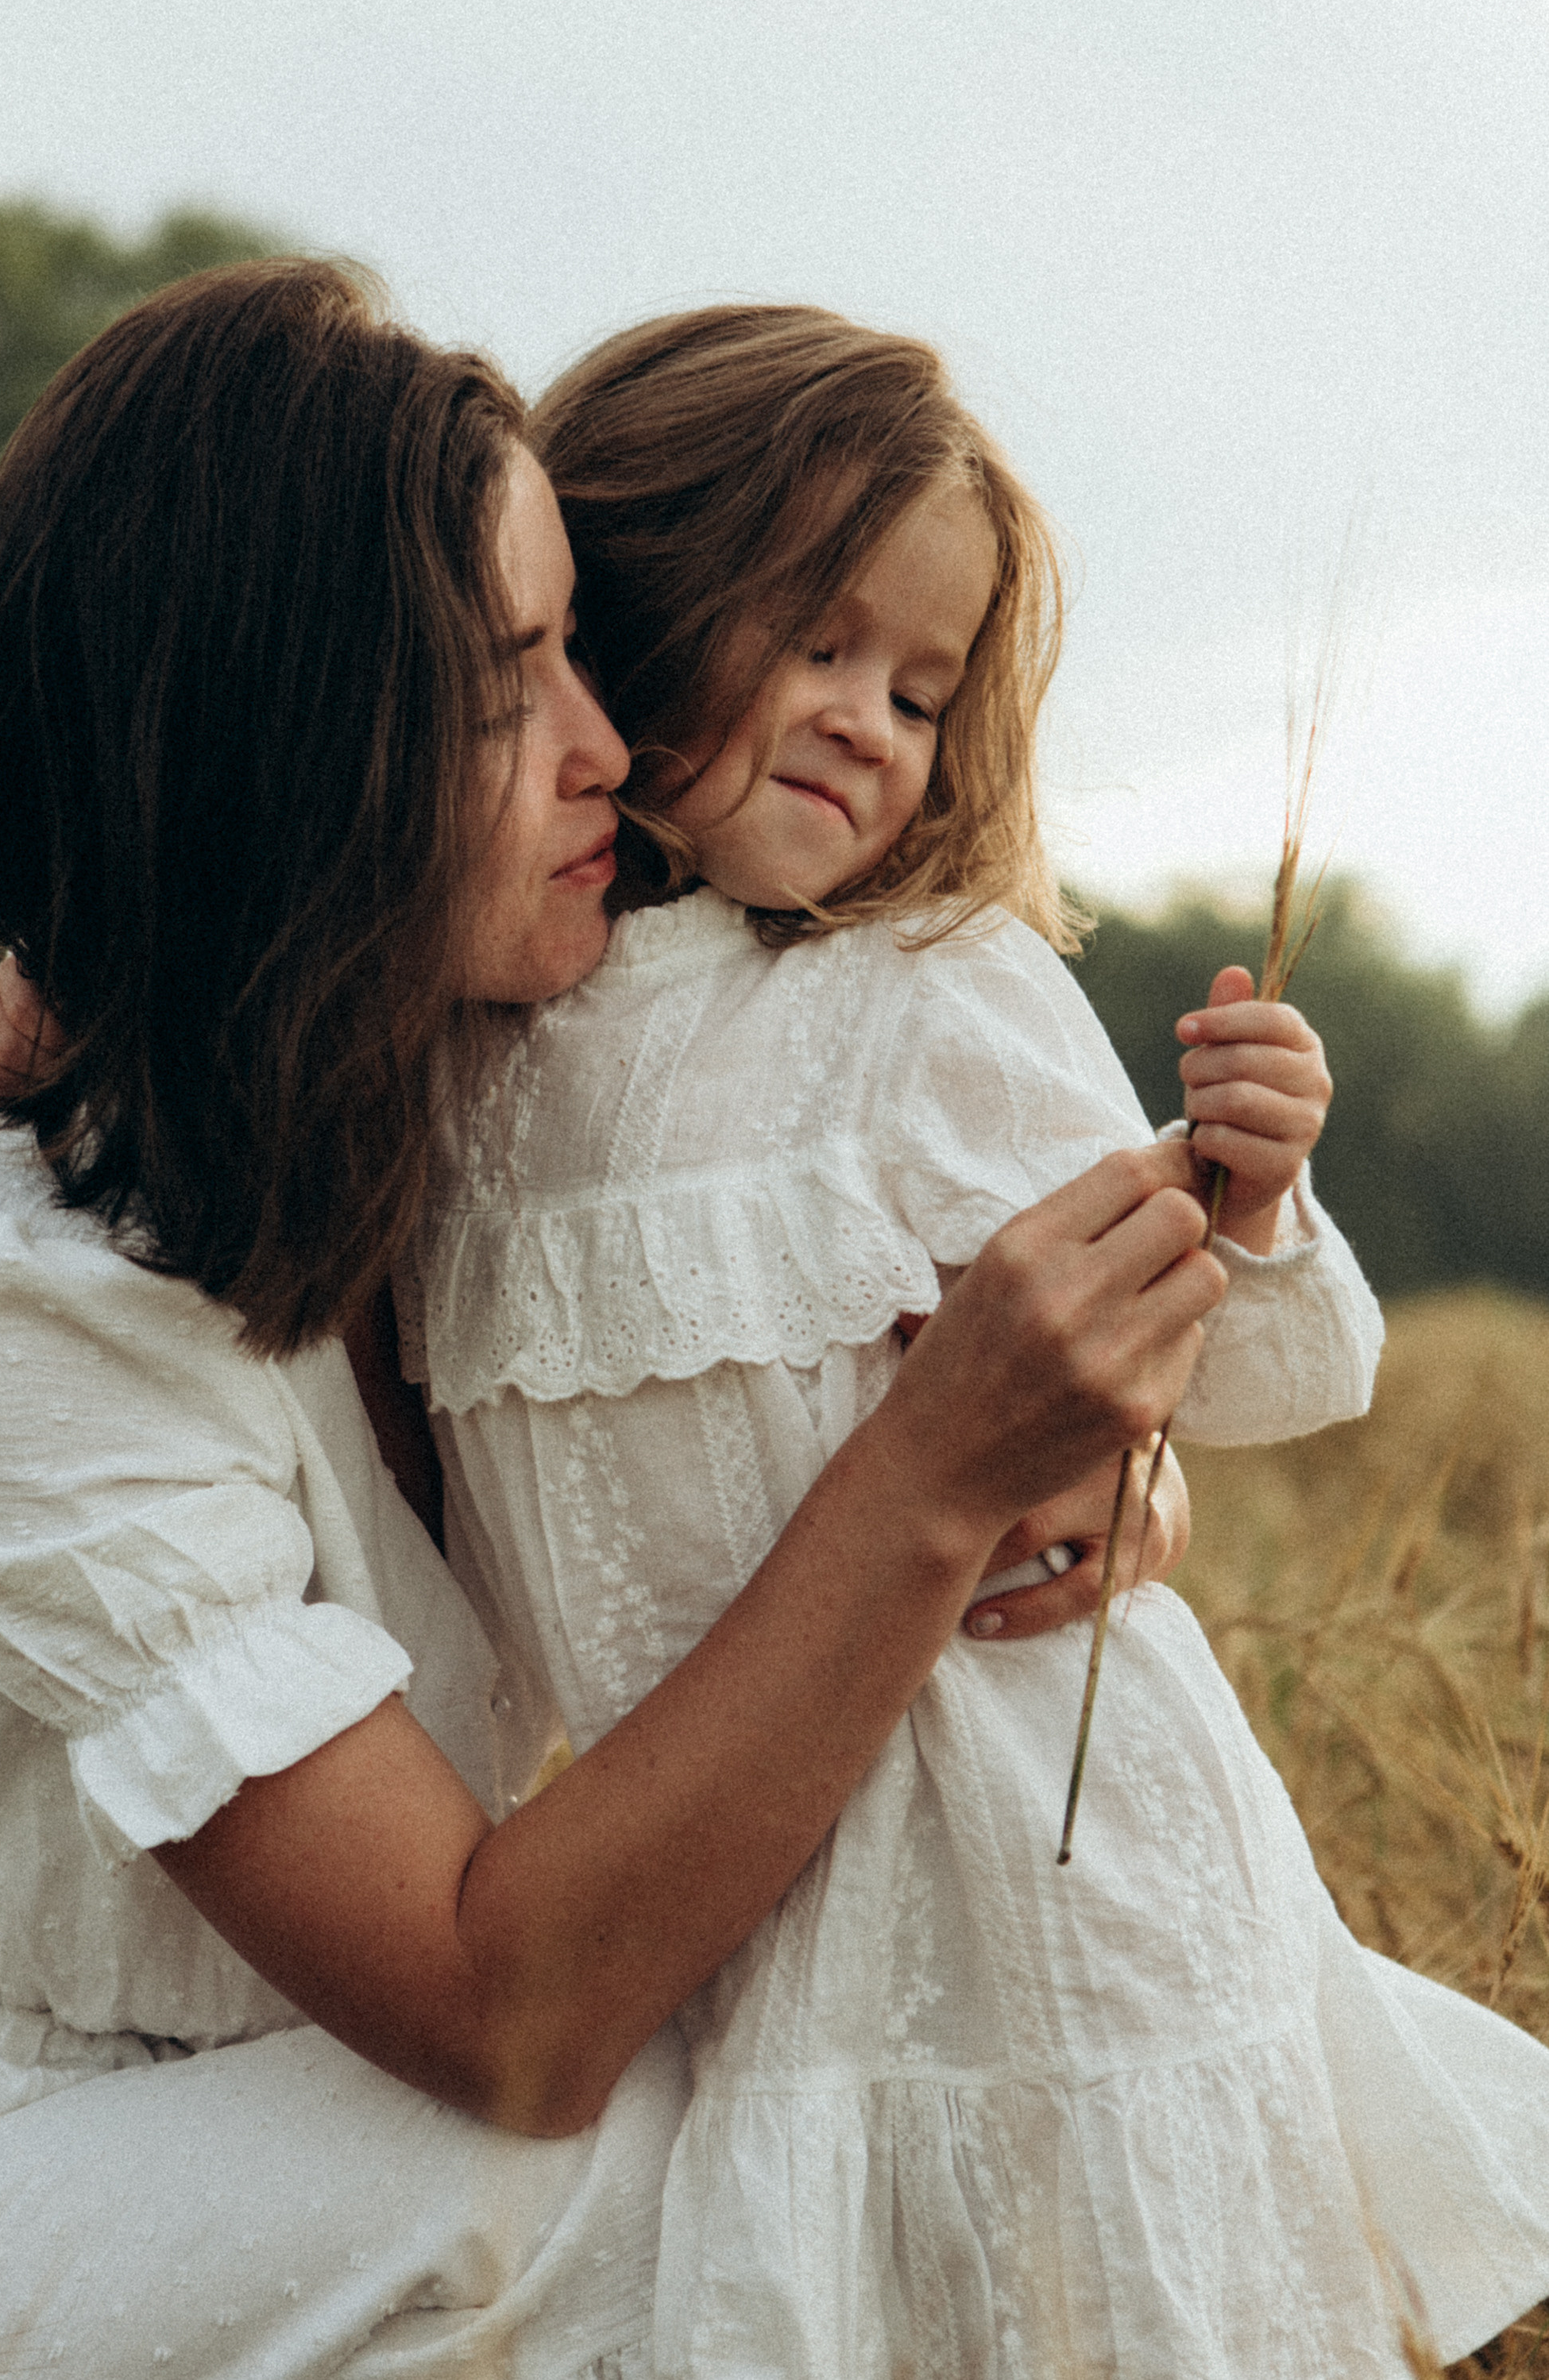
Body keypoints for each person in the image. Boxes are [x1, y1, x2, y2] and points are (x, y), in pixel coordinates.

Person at [0, 260, 1223, 2380]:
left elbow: (877, 1420)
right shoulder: (3, 1306)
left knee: (880, 2068)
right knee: (661, 2165)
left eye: (584, 645)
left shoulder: (513, 1108)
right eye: (513, 681)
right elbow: (509, 2014)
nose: (607, 745)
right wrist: (930, 1471)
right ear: (306, 741)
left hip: (283, 2113)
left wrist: (1070, 1487)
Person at [389, 306, 1549, 2377]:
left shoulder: (930, 996)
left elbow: (1245, 1374)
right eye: (818, 641)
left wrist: (1248, 1210)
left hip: (1049, 1888)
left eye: (925, 689)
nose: (871, 721)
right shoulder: (455, 1044)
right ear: (637, 585)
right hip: (735, 1928)